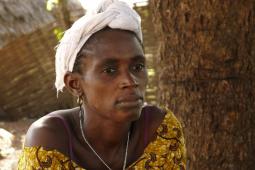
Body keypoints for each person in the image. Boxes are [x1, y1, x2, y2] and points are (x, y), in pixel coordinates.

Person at [18, 0, 186, 169]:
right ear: (74, 84)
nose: (130, 81)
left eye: (138, 67)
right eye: (110, 70)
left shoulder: (159, 131)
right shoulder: (50, 141)